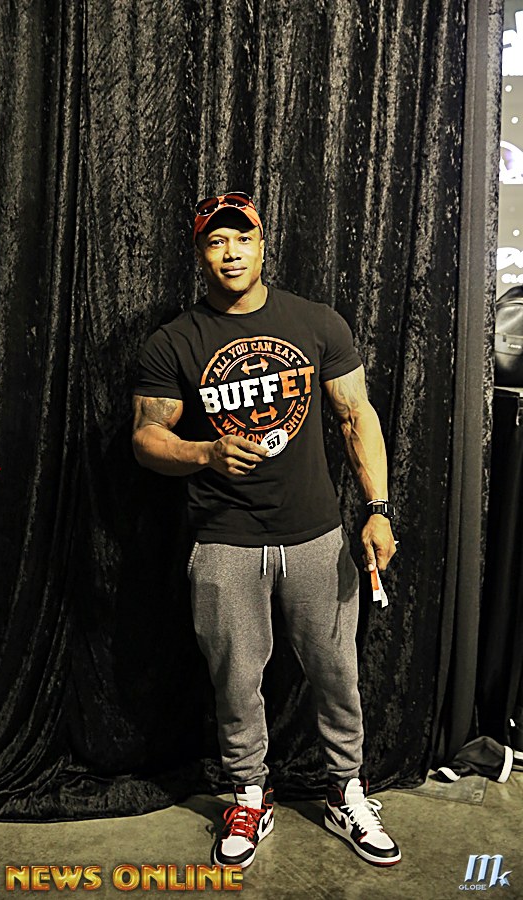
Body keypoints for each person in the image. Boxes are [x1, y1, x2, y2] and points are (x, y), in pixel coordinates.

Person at [132, 191, 401, 869]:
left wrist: (378, 508)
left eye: (242, 238)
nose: (231, 253)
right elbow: (145, 438)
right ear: (200, 254)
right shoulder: (174, 341)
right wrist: (205, 452)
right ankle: (249, 794)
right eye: (216, 241)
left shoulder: (315, 322)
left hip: (315, 533)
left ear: (261, 245)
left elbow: (356, 416)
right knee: (235, 677)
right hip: (224, 536)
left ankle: (346, 790)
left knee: (336, 672)